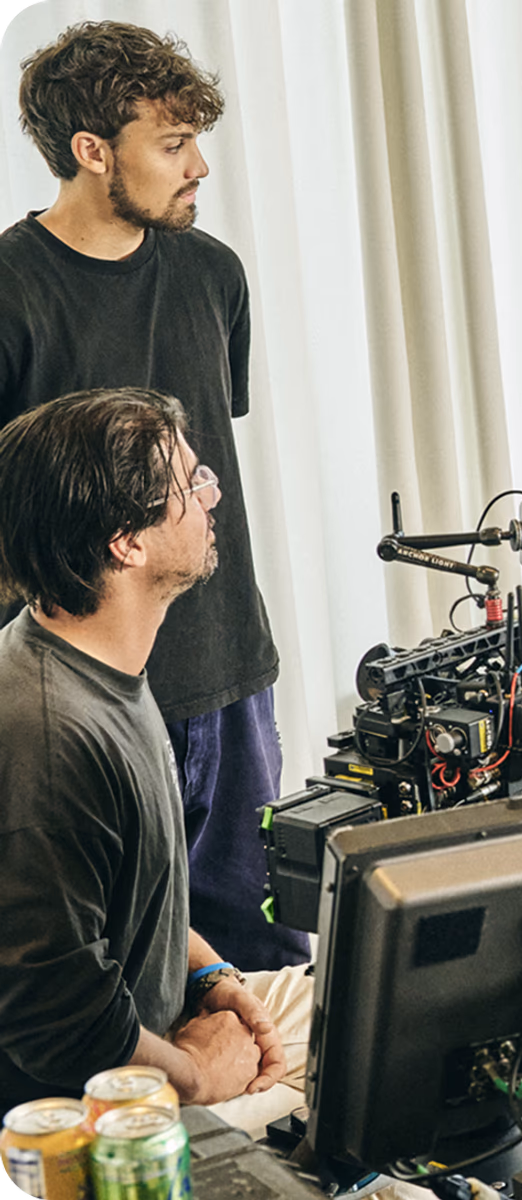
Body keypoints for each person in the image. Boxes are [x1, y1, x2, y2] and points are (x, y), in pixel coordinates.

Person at [0, 20, 307, 971]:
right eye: (171, 145)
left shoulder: (213, 275)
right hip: (80, 696)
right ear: (93, 152)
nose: (199, 166)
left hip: (229, 678)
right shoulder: (9, 294)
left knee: (259, 967)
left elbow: (204, 468)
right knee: (114, 972)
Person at [0, 388, 297, 1117]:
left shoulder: (92, 661)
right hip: (109, 1107)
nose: (214, 494)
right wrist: (196, 1074)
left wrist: (213, 975)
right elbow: (55, 1023)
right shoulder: (49, 738)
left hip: (164, 1029)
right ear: (125, 543)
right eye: (192, 483)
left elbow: (124, 905)